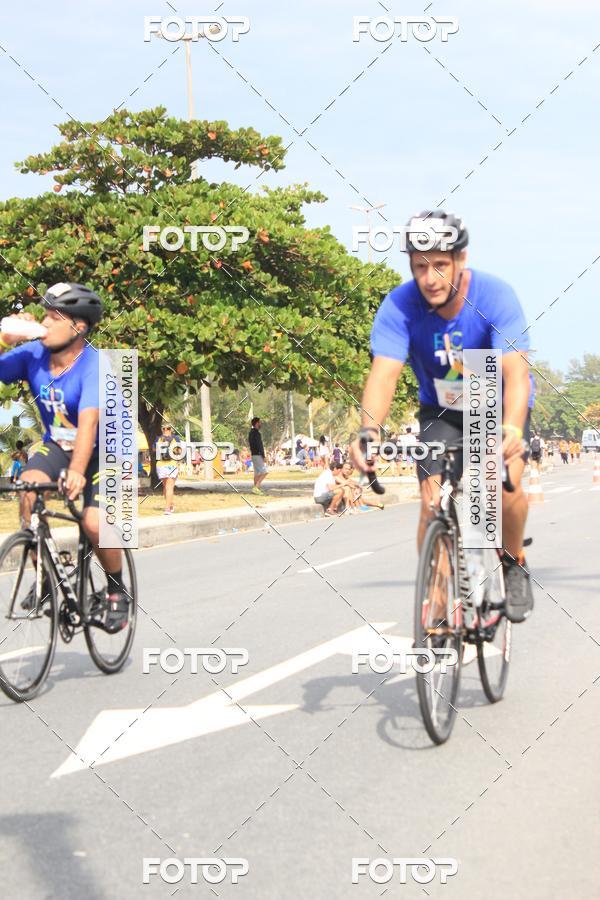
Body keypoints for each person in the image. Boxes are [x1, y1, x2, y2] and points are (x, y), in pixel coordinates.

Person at [351, 210, 535, 625]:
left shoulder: (494, 296)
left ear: (460, 260)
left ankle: (513, 562)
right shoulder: (400, 306)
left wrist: (511, 428)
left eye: (439, 265)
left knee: (503, 487)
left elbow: (516, 374)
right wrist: (368, 431)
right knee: (431, 502)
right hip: (441, 407)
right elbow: (384, 374)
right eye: (420, 267)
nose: (430, 278)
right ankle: (436, 601)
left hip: (493, 399)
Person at [0, 283, 129, 633]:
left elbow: (89, 424)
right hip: (59, 443)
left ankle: (117, 590)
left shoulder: (94, 364)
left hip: (108, 448)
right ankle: (45, 578)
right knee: (28, 490)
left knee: (93, 522)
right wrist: (5, 340)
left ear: (78, 327)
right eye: (44, 315)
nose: (44, 322)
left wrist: (76, 472)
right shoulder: (32, 354)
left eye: (54, 317)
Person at [154, 422, 181, 514]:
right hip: (171, 465)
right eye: (165, 428)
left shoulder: (158, 438)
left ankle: (170, 505)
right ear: (171, 430)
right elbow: (179, 451)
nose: (166, 430)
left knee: (165, 487)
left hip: (160, 465)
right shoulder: (176, 438)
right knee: (169, 487)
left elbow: (154, 450)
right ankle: (168, 508)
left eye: (167, 428)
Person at [248, 416, 268, 494]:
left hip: (253, 455)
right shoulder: (257, 434)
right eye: (260, 422)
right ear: (257, 423)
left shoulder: (250, 433)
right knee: (264, 472)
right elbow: (260, 445)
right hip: (258, 455)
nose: (261, 424)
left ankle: (256, 489)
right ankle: (256, 487)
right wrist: (263, 456)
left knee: (257, 473)